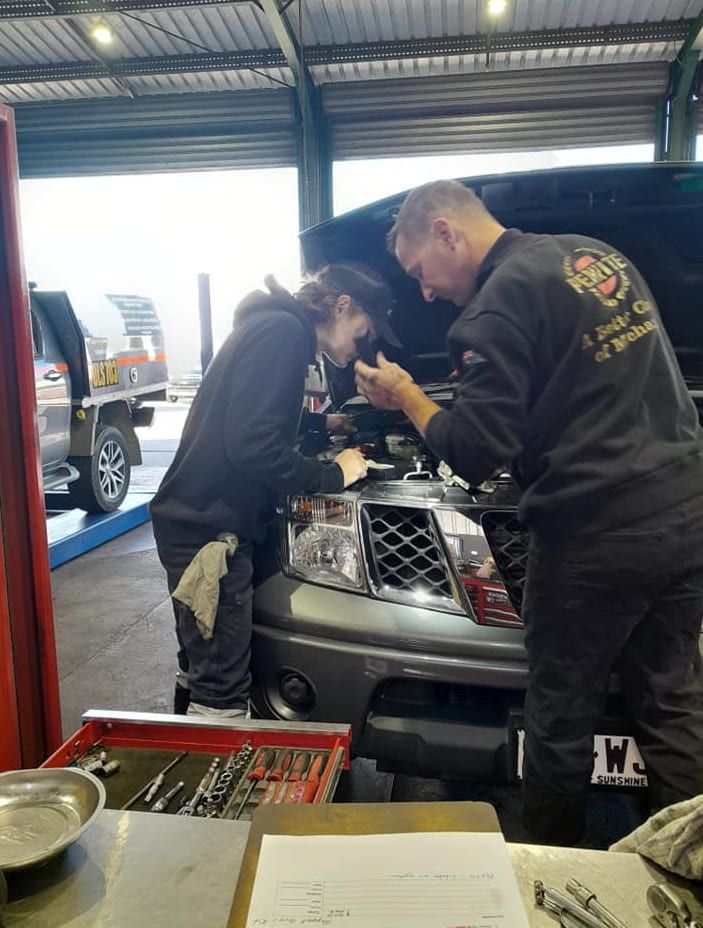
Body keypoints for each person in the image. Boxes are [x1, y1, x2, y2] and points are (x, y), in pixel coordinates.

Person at [354, 179, 703, 845]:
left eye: (418, 271)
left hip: (594, 537)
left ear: (447, 234)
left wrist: (405, 397)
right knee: (671, 701)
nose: (423, 291)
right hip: (684, 513)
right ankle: (686, 874)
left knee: (559, 719)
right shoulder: (594, 257)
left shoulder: (491, 313)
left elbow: (475, 452)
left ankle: (550, 875)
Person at [152, 263, 398, 719]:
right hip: (210, 532)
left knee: (201, 662)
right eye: (365, 331)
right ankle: (215, 776)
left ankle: (190, 752)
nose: (367, 344)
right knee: (221, 686)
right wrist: (335, 476)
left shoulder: (275, 327)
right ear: (342, 306)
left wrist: (317, 423)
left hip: (196, 518)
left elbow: (245, 412)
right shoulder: (283, 333)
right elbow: (251, 445)